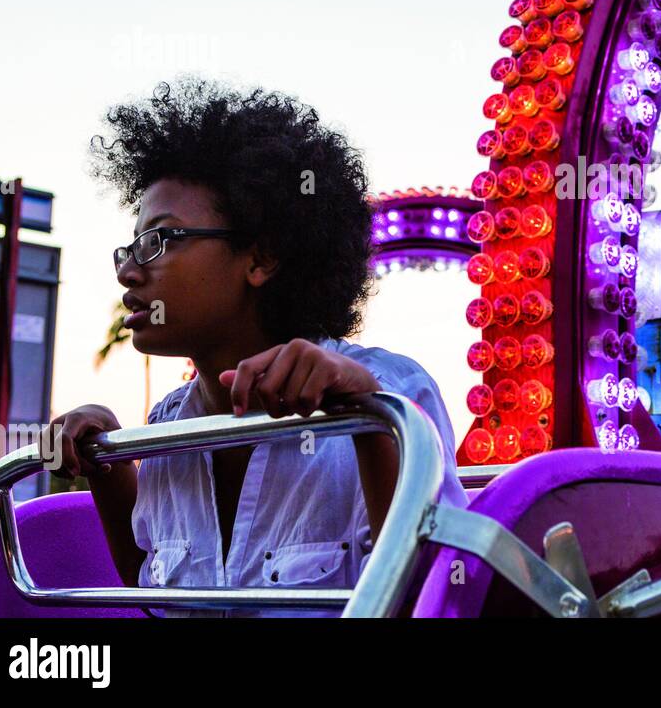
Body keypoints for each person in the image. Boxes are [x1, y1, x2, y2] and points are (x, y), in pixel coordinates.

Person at [50, 77, 467, 616]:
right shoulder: (163, 428)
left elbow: (440, 594)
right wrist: (107, 467)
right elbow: (154, 592)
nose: (129, 272)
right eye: (128, 249)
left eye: (158, 241)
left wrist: (365, 418)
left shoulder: (393, 394)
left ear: (259, 259)